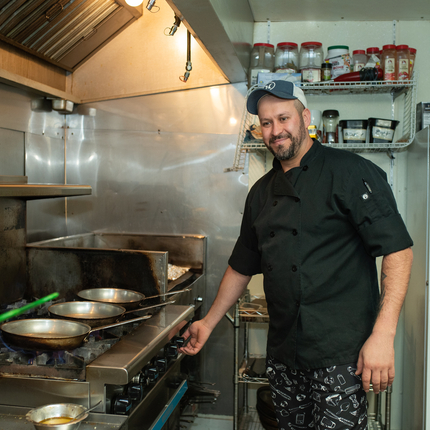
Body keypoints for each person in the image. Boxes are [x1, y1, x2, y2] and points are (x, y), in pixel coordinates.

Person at [178, 80, 413, 429]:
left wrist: (383, 336)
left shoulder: (350, 172)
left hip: (342, 352)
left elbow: (398, 250)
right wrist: (208, 323)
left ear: (305, 117)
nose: (275, 131)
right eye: (266, 122)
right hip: (286, 352)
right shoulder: (259, 194)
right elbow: (242, 265)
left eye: (284, 118)